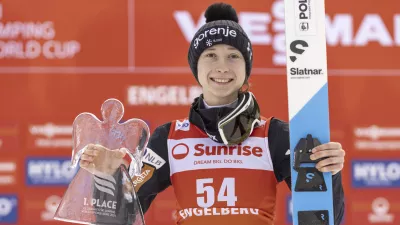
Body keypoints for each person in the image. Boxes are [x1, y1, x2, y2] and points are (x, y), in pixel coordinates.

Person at [80, 2, 345, 225]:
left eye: (233, 56)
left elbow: (322, 218)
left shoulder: (274, 135)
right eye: (210, 55)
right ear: (196, 67)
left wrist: (328, 173)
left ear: (246, 67)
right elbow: (119, 218)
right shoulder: (169, 138)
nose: (222, 67)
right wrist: (108, 177)